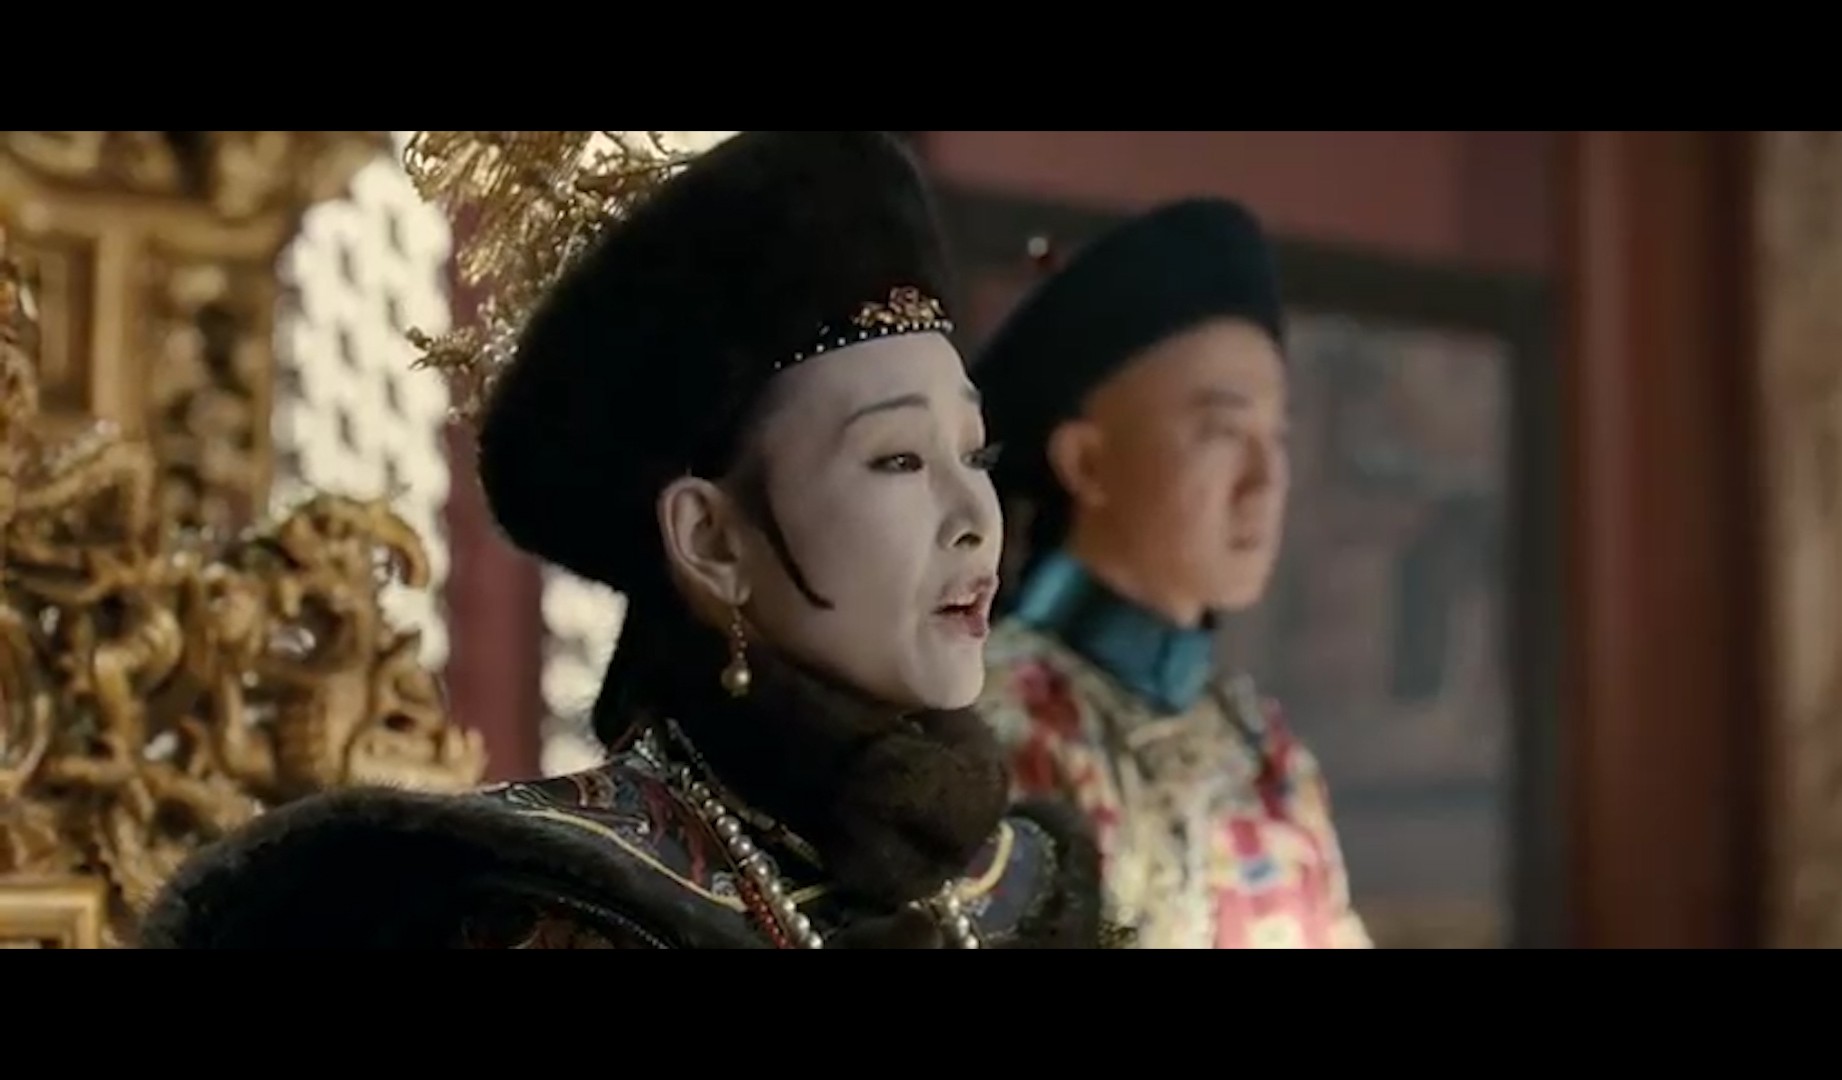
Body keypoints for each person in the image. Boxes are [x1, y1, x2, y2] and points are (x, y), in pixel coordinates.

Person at [138, 130, 1104, 950]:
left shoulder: (1026, 891)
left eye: (975, 453)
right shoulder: (541, 904)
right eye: (897, 460)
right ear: (710, 539)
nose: (976, 516)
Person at [972, 197, 1372, 949]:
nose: (1264, 480)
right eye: (1221, 432)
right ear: (1088, 462)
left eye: (1277, 437)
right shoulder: (1001, 726)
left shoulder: (1261, 746)